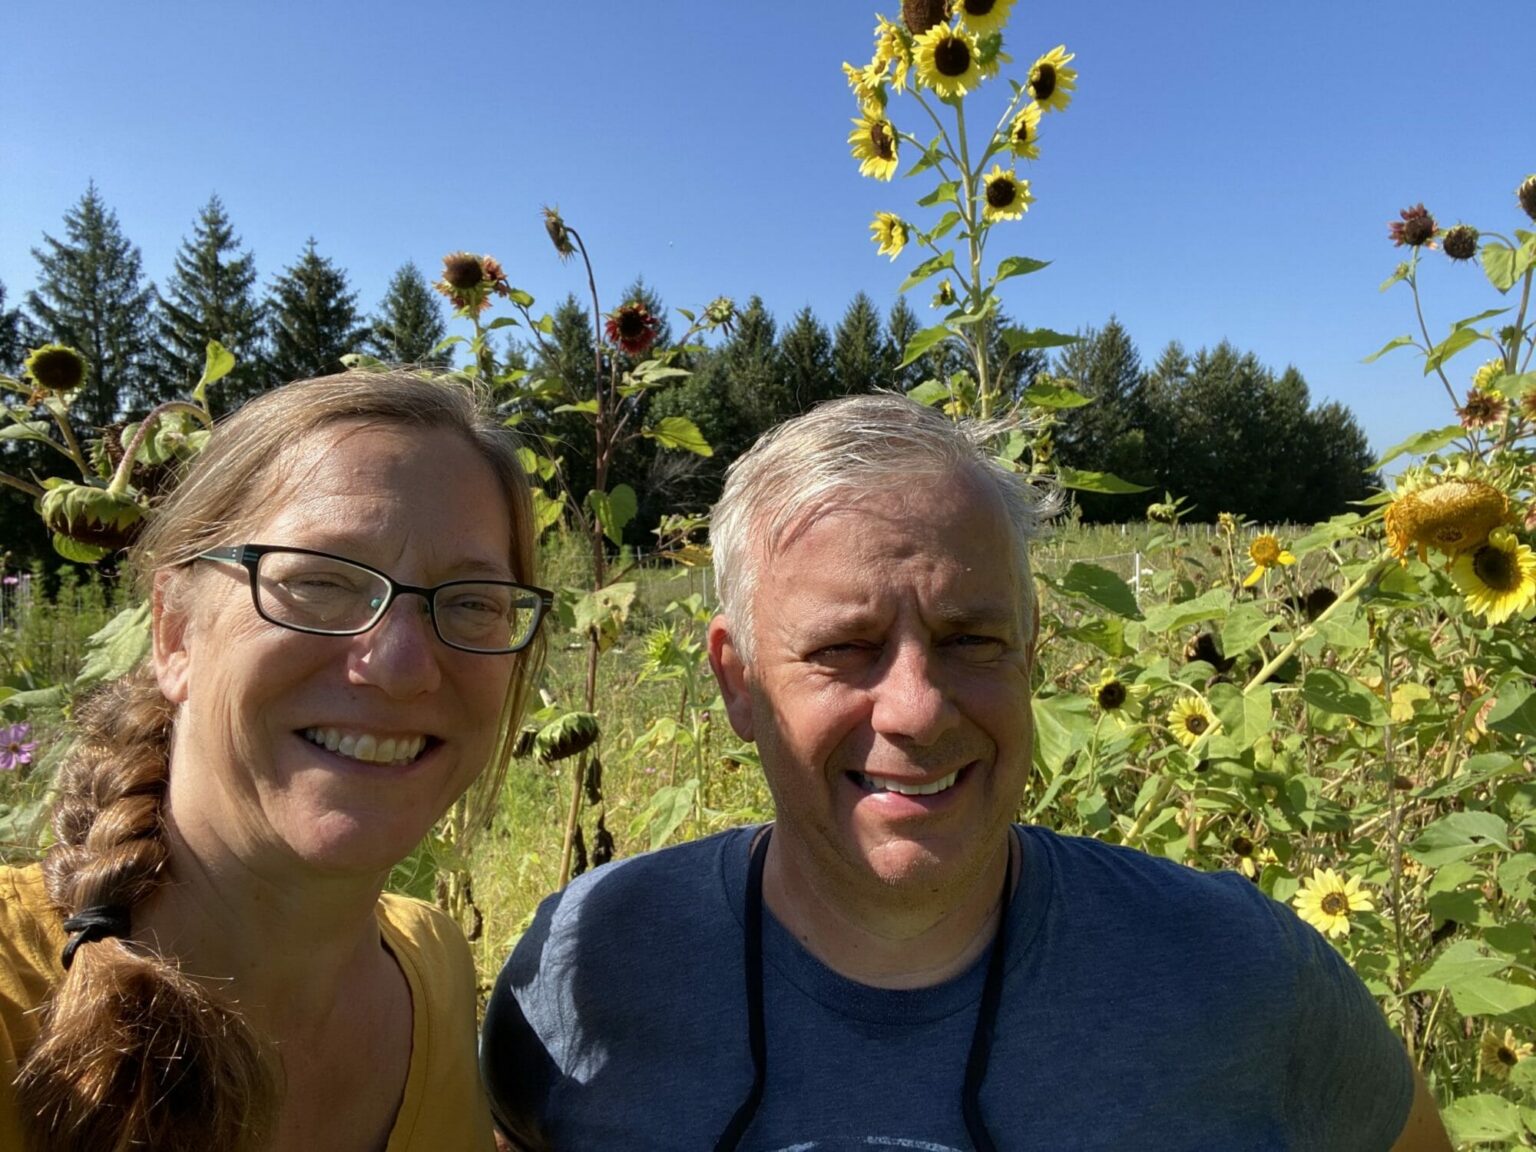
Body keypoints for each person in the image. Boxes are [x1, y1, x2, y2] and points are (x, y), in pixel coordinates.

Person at [482, 393, 1451, 1151]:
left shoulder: (1238, 978)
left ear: (1032, 648)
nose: (917, 708)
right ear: (738, 681)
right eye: (847, 647)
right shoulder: (588, 966)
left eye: (971, 638)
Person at [0, 371, 550, 1152]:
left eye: (471, 601)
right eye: (320, 581)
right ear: (174, 633)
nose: (399, 666)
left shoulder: (435, 966)